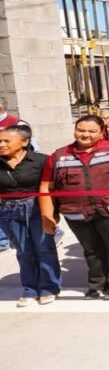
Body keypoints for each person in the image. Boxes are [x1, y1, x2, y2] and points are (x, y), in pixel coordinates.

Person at [39, 115, 109, 299]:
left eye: (92, 131)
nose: (85, 134)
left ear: (101, 132)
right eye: (81, 130)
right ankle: (97, 284)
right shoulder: (59, 155)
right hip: (76, 213)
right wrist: (48, 214)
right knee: (91, 250)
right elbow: (46, 186)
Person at [0, 125, 58, 306]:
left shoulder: (41, 161)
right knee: (24, 251)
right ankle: (30, 288)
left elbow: (52, 189)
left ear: (24, 142)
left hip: (37, 208)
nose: (1, 144)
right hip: (8, 210)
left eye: (6, 141)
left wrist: (52, 214)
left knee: (44, 249)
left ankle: (49, 287)